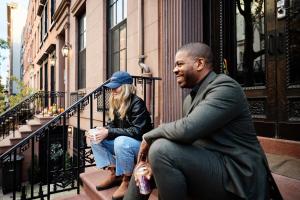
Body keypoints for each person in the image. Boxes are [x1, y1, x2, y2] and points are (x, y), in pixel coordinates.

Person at [124, 42, 274, 200]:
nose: (174, 70)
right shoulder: (190, 99)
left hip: (238, 176)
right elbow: (187, 138)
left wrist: (149, 136)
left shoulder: (225, 87)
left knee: (160, 150)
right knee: (143, 168)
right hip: (212, 164)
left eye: (180, 64)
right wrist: (151, 165)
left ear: (200, 63)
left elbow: (187, 130)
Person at [87, 71, 152, 200]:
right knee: (95, 138)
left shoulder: (137, 103)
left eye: (115, 87)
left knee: (121, 141)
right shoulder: (117, 103)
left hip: (139, 146)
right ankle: (114, 173)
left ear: (126, 87)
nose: (112, 91)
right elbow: (112, 126)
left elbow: (137, 131)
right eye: (111, 88)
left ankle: (127, 180)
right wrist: (102, 130)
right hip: (124, 143)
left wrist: (109, 132)